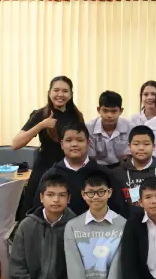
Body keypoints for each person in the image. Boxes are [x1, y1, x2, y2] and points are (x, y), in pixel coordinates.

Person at [9, 173, 75, 279]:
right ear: (41, 198)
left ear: (68, 199)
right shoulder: (26, 226)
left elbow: (77, 268)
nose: (56, 200)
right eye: (50, 195)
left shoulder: (75, 225)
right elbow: (17, 266)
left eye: (61, 195)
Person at [63, 170, 126, 279]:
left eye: (101, 192)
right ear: (83, 195)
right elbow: (74, 271)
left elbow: (117, 273)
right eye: (90, 193)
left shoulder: (122, 224)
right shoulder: (73, 226)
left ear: (109, 193)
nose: (96, 197)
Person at [13, 76, 85, 215]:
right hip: (44, 168)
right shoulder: (40, 114)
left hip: (69, 168)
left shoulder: (76, 115)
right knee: (38, 212)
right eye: (56, 90)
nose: (60, 94)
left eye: (65, 91)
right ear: (49, 92)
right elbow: (15, 143)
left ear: (71, 94)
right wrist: (41, 125)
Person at [33, 122, 129, 218]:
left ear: (88, 143)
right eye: (69, 140)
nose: (74, 144)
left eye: (80, 140)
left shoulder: (104, 173)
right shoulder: (51, 175)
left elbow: (117, 208)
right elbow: (39, 211)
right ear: (62, 144)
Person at [114, 125, 156, 206]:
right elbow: (114, 204)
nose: (141, 148)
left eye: (146, 144)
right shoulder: (117, 174)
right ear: (129, 146)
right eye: (136, 144)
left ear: (153, 146)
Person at [86, 91, 132, 168]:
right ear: (98, 110)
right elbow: (90, 157)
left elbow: (130, 155)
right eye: (105, 111)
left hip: (124, 167)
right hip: (97, 167)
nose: (109, 115)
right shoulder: (89, 128)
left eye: (114, 111)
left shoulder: (130, 127)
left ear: (121, 111)